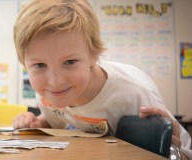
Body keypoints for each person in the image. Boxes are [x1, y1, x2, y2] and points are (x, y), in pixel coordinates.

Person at [12, 0, 192, 159]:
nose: (55, 81)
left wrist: (175, 151)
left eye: (70, 62)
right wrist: (37, 122)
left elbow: (177, 148)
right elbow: (55, 119)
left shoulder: (133, 93)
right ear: (24, 63)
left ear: (94, 56)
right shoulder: (47, 94)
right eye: (39, 65)